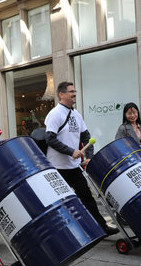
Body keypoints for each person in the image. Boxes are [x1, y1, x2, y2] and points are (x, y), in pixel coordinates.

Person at [45, 81, 118, 236]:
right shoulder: (55, 114)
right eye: (71, 92)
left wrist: (89, 156)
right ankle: (58, 233)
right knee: (58, 202)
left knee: (87, 197)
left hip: (74, 166)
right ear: (61, 94)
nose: (74, 94)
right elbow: (50, 139)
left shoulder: (76, 114)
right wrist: (71, 151)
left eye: (75, 91)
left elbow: (86, 136)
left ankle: (101, 227)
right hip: (57, 167)